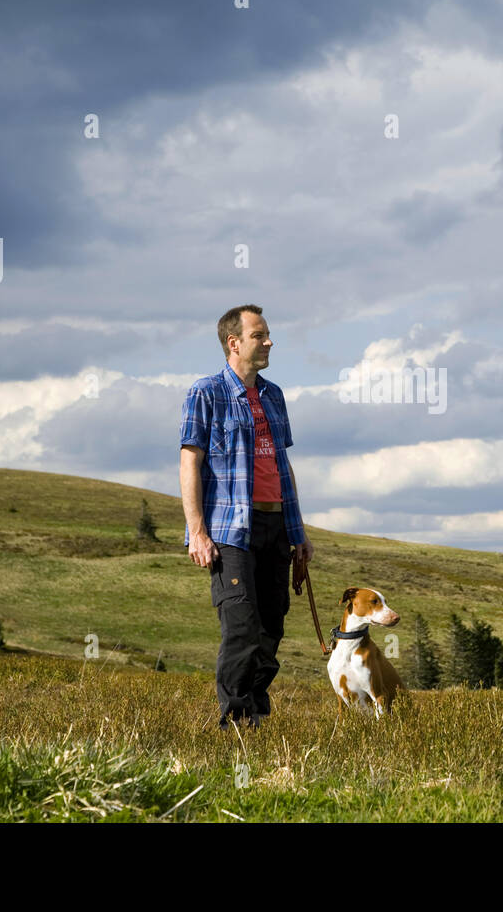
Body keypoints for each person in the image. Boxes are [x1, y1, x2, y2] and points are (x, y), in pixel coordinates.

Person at [179, 304, 313, 730]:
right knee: (241, 625)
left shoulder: (274, 395)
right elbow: (189, 462)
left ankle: (255, 715)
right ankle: (235, 724)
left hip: (276, 526)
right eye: (260, 335)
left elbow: (282, 466)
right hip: (230, 532)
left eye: (268, 334)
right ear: (234, 343)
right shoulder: (206, 392)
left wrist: (299, 534)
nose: (269, 341)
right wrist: (197, 531)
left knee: (272, 627)